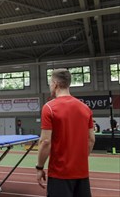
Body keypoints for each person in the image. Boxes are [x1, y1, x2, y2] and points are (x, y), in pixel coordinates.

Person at [36, 68, 95, 197]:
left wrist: (39, 167)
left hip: (60, 174)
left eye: (50, 83)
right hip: (82, 174)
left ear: (55, 84)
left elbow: (45, 142)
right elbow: (91, 140)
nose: (50, 86)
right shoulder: (85, 108)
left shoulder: (49, 108)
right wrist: (79, 160)